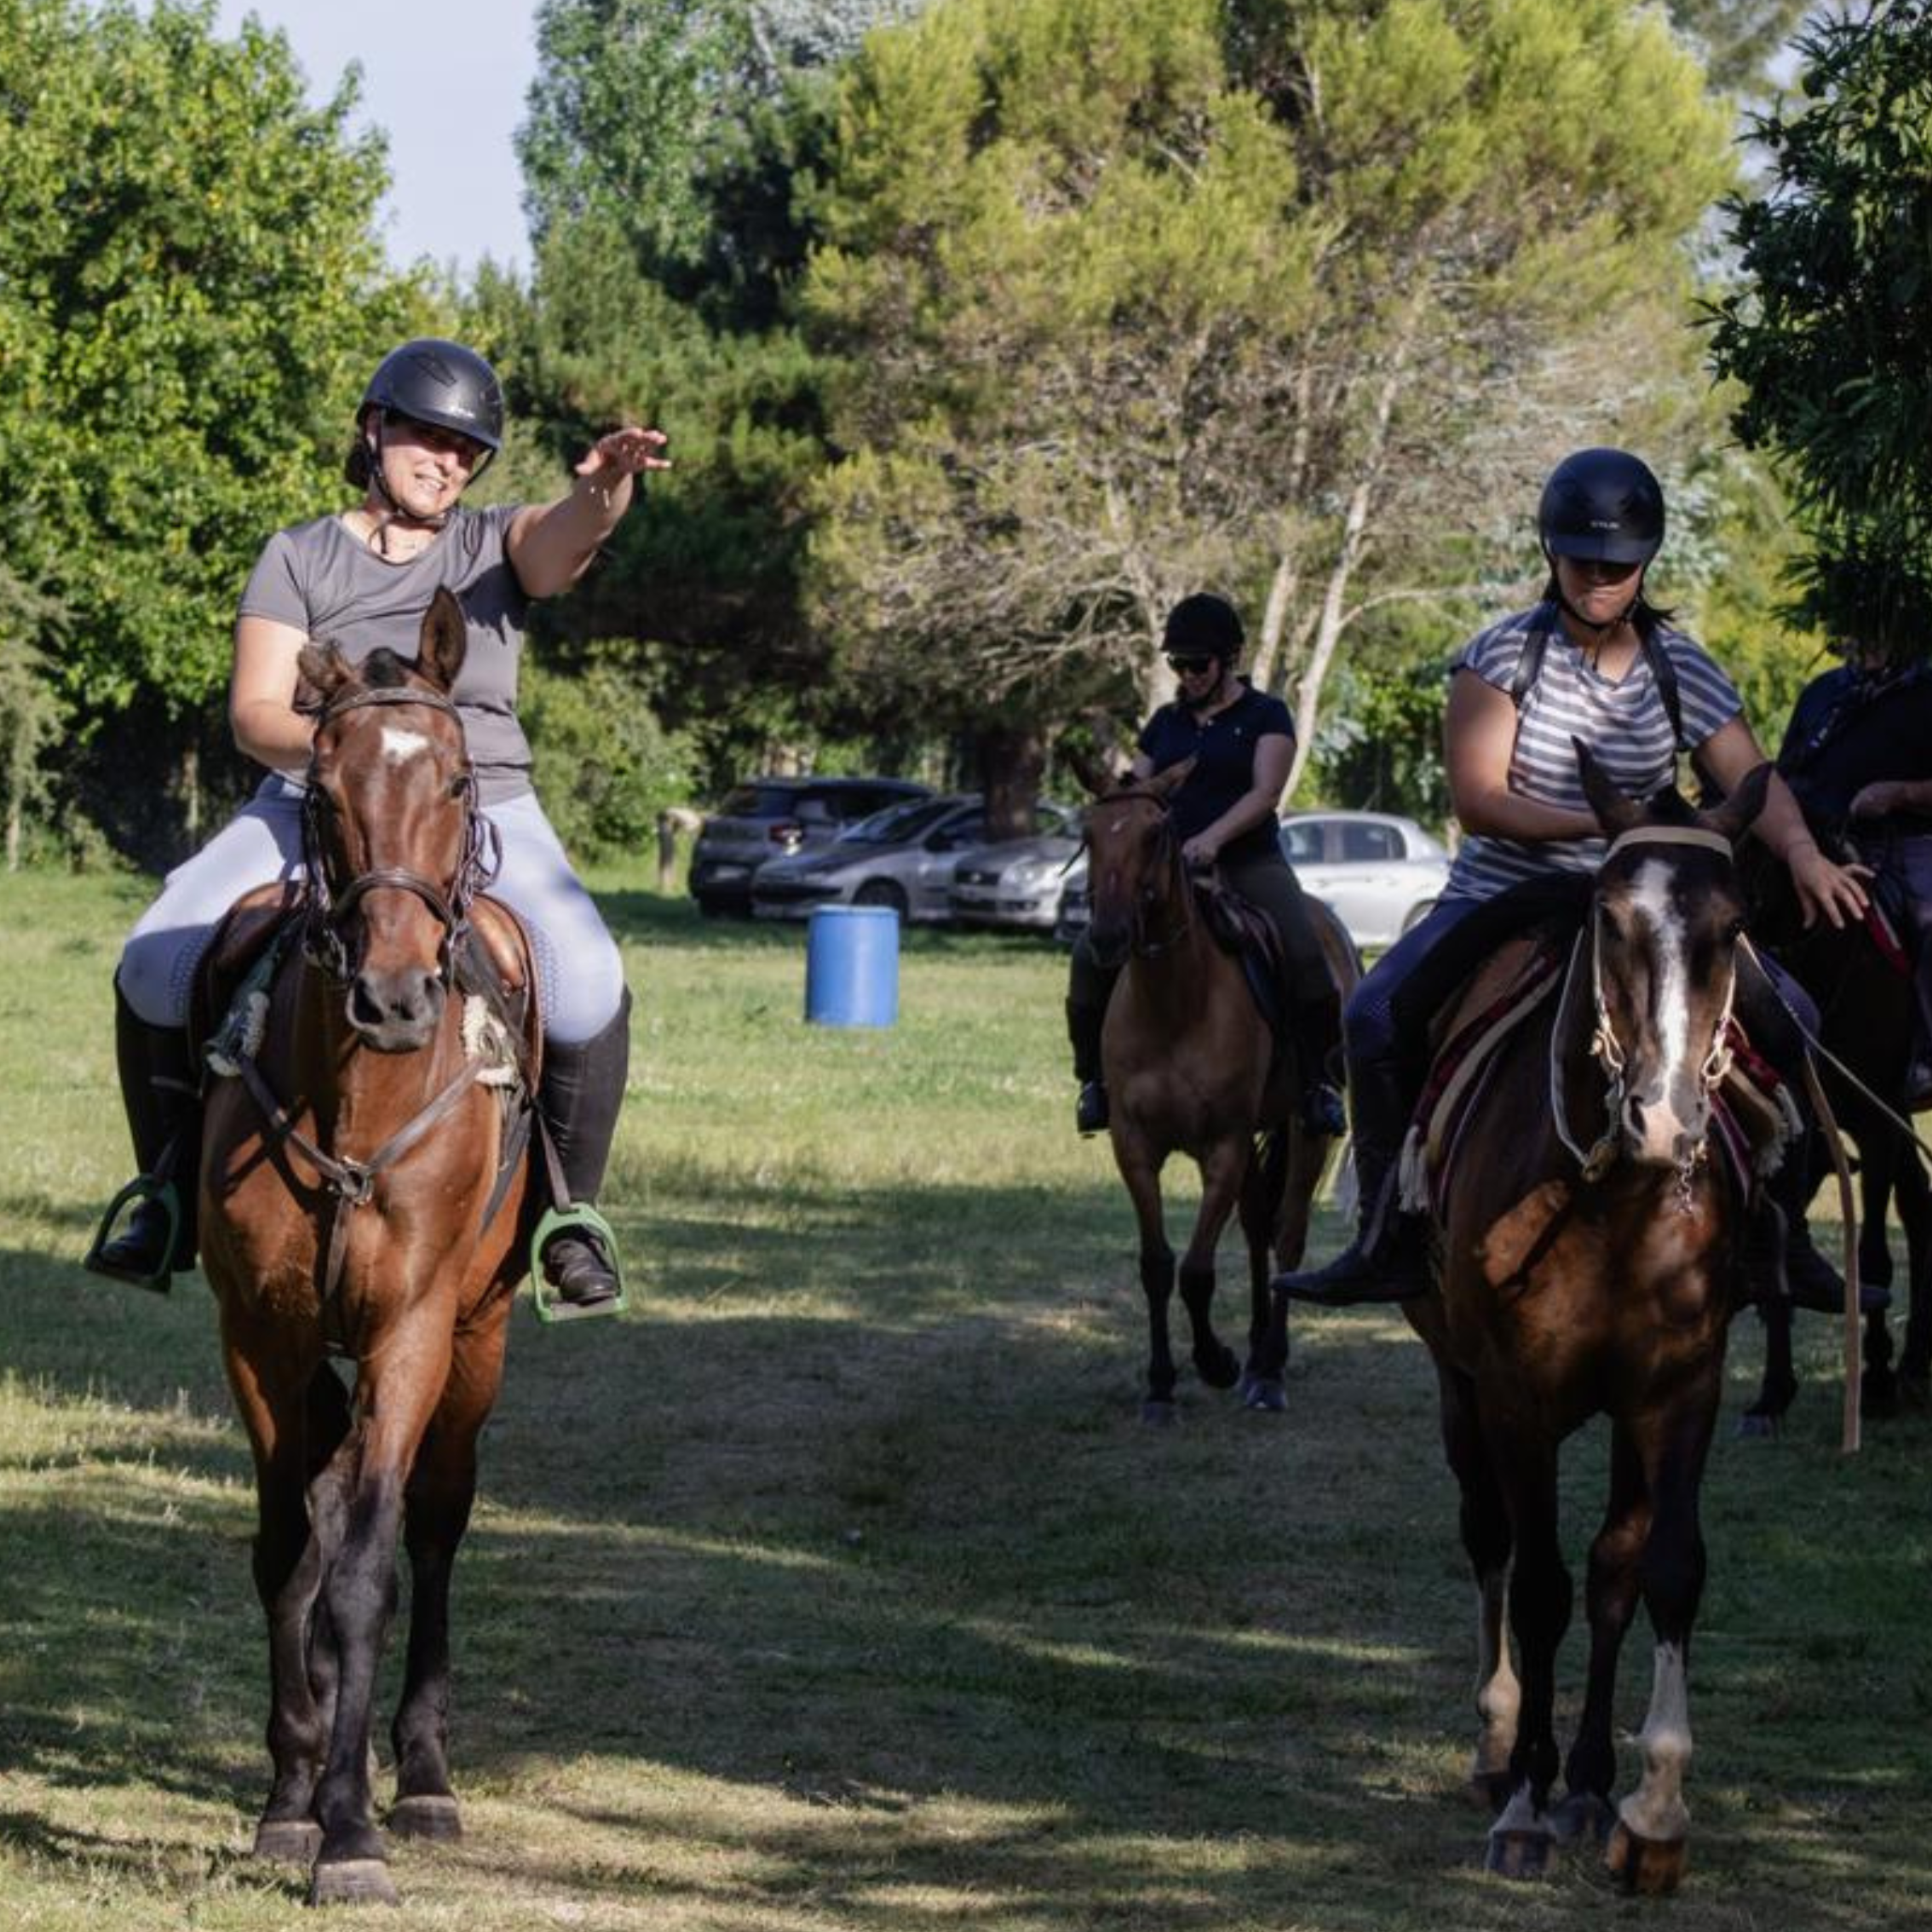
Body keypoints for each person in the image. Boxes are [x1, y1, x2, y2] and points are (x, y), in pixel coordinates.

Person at [91, 337, 670, 1310]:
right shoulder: (299, 555)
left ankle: (566, 1220)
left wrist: (606, 489)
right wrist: (348, 750)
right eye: (428, 437)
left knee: (586, 984)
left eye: (465, 449)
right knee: (156, 958)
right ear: (374, 429)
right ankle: (168, 1197)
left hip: (478, 802)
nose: (446, 460)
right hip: (314, 802)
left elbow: (564, 536)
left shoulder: (490, 546)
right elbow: (254, 712)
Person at [1278, 446, 1870, 1307]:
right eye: (1584, 559)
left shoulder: (1680, 666)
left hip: (1647, 906)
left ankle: (1779, 1244)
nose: (1600, 576)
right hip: (1511, 892)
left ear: (1645, 564)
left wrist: (1806, 854)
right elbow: (1480, 801)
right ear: (1552, 554)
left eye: (1620, 564)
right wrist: (1612, 824)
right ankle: (1388, 1235)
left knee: (1799, 1019)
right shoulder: (1502, 655)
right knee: (1373, 1015)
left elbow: (1752, 779)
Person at [1066, 591, 1346, 1139]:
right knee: (1087, 955)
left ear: (1231, 659)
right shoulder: (1166, 724)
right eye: (1178, 664)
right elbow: (1141, 785)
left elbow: (1265, 793)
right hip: (1170, 873)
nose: (1187, 674)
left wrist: (1213, 839)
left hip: (1249, 863)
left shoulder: (1267, 716)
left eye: (1199, 664)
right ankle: (1094, 1082)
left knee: (1305, 951)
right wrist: (1115, 803)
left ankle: (1318, 1085)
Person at [1776, 640, 1932, 1097]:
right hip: (1819, 840)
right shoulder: (1824, 691)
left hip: (1911, 839)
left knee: (1930, 919)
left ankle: (1928, 1053)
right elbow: (1786, 769)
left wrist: (1901, 793)